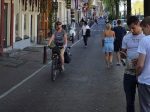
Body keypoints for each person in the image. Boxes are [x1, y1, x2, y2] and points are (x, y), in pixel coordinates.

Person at [121, 16, 145, 112]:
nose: (131, 30)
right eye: (130, 28)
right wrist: (122, 54)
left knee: (145, 102)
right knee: (129, 102)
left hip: (143, 74)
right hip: (129, 73)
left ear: (138, 24)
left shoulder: (146, 37)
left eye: (133, 28)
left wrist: (140, 59)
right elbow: (123, 53)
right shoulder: (126, 37)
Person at [136, 16, 150, 112]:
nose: (143, 31)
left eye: (143, 28)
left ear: (148, 26)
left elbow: (140, 65)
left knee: (145, 108)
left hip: (146, 81)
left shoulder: (145, 40)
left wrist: (137, 74)